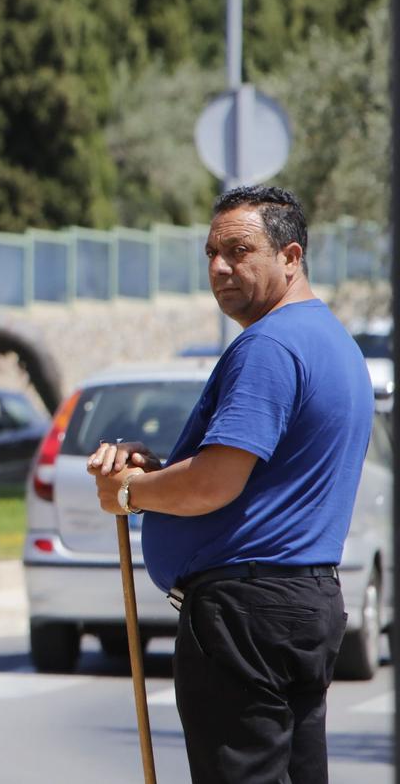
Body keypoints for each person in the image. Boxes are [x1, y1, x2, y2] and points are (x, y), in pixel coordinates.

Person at [87, 185, 372, 784]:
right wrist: (160, 468)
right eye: (211, 253)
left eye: (239, 251)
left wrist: (129, 493)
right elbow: (264, 475)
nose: (220, 268)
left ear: (290, 256)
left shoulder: (268, 345)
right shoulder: (331, 341)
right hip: (302, 600)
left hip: (247, 611)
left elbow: (214, 483)